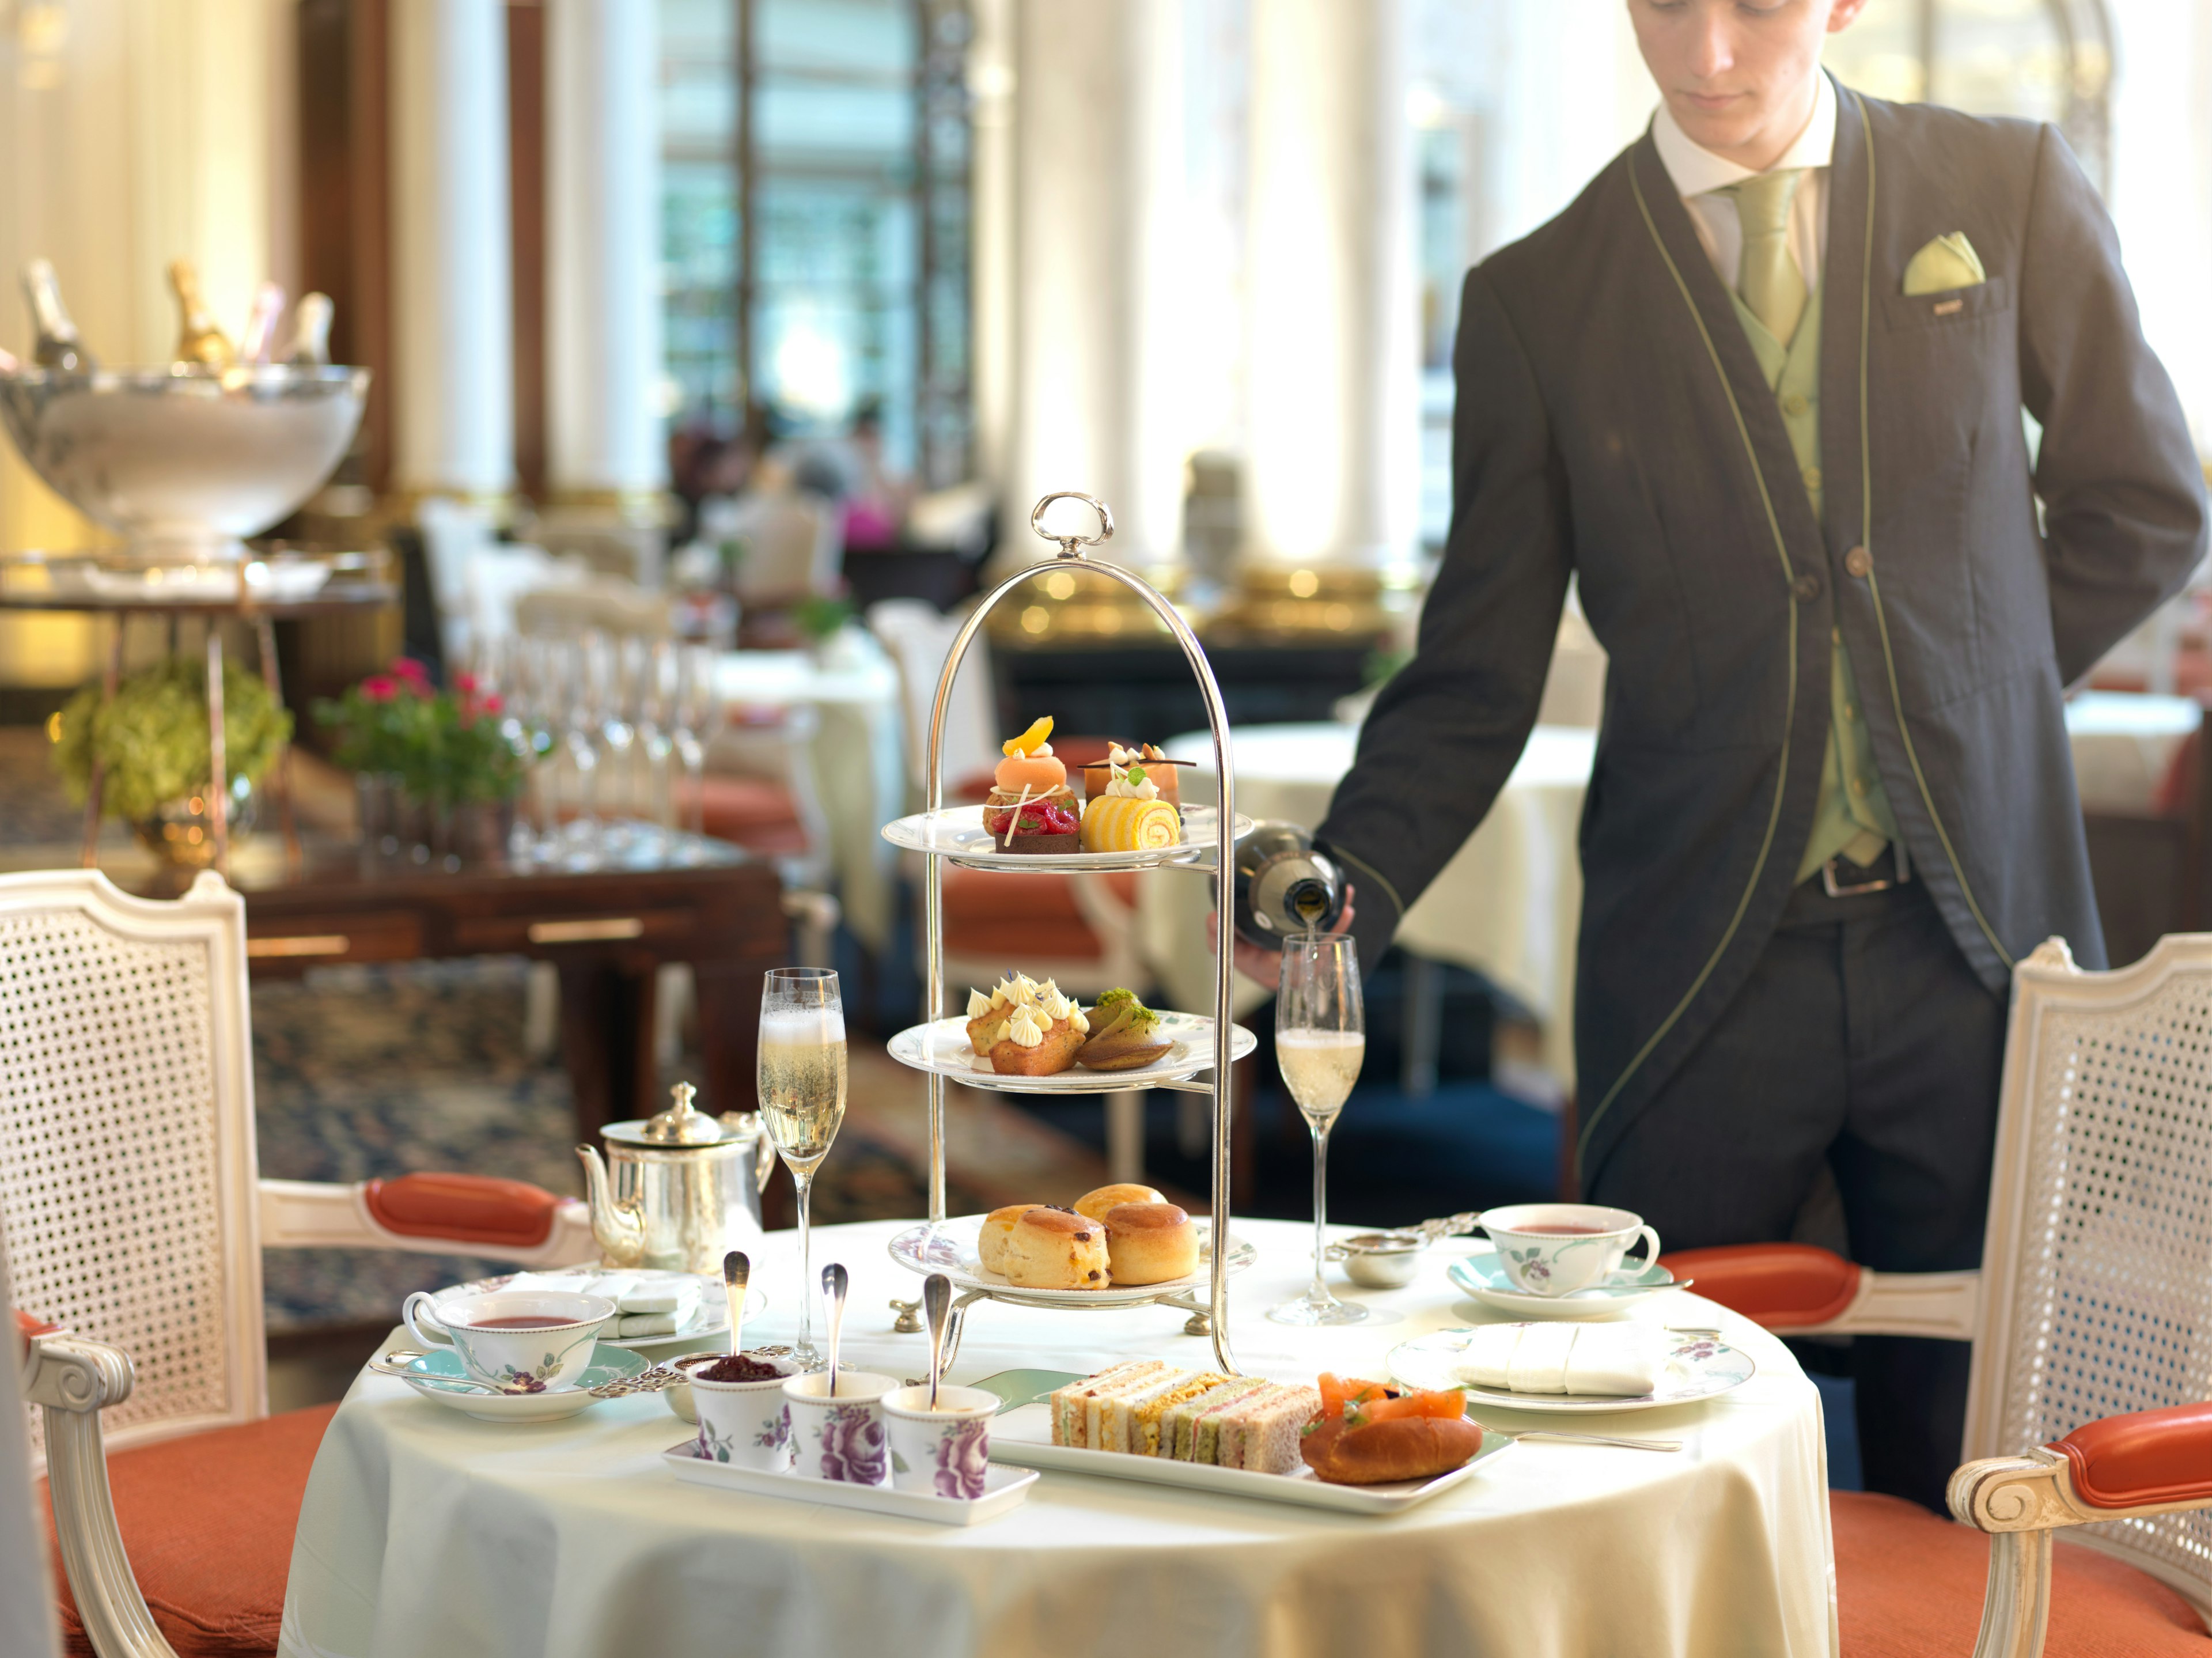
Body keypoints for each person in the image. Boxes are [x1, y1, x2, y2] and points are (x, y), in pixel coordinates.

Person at [1310, 0, 2207, 1511]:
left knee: (1987, 1462)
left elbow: (2148, 502)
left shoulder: (2003, 191)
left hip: (1974, 943)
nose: (1711, 56)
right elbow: (1475, 669)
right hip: (1697, 959)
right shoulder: (1540, 299)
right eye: (1668, 7)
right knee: (1642, 1438)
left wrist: (1957, 698)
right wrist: (1339, 884)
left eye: (1757, 7)